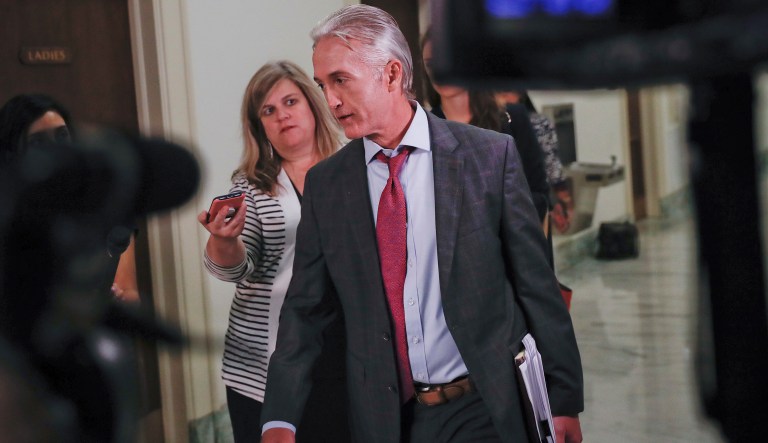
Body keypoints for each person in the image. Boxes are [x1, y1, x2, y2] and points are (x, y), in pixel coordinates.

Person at [261, 5, 583, 443]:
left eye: (341, 80)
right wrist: (279, 418)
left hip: (486, 406)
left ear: (391, 75)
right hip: (389, 418)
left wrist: (563, 400)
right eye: (322, 85)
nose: (330, 100)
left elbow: (535, 286)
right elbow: (304, 310)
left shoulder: (488, 157)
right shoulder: (328, 184)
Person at [197, 60, 349, 443]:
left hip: (345, 350)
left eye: (290, 102)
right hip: (267, 364)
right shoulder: (250, 186)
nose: (282, 115)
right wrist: (224, 240)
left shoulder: (354, 166)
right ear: (260, 126)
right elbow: (236, 270)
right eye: (269, 110)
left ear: (312, 105)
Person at [0, 93, 140, 302]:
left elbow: (128, 292)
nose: (57, 149)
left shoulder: (107, 209)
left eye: (62, 135)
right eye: (38, 141)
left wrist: (114, 305)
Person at [420, 30, 551, 223]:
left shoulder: (513, 119)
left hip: (510, 243)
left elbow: (539, 195)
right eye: (431, 64)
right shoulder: (424, 130)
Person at [498, 90, 573, 234]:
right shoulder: (490, 120)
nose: (504, 97)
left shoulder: (536, 123)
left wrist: (564, 201)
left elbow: (552, 166)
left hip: (531, 200)